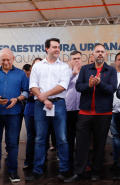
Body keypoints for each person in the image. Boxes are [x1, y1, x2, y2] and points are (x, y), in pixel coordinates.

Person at [64, 44, 117, 182]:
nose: (100, 53)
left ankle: (96, 172)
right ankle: (78, 172)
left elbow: (112, 89)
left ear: (106, 54)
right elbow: (78, 87)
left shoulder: (111, 70)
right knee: (81, 145)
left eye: (102, 52)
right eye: (97, 51)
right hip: (84, 113)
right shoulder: (85, 69)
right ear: (92, 54)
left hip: (103, 114)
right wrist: (89, 85)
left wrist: (99, 84)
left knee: (99, 145)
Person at [26, 38, 71, 181]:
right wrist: (44, 99)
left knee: (62, 139)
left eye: (58, 47)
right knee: (40, 139)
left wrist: (45, 94)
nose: (57, 49)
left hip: (59, 105)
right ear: (47, 49)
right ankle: (37, 170)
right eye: (54, 47)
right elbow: (33, 85)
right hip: (41, 105)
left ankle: (64, 170)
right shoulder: (38, 66)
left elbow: (63, 86)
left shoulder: (64, 67)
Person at [0, 48, 29, 182]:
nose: (6, 62)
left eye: (8, 59)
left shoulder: (21, 74)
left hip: (14, 113)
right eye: (3, 60)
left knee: (12, 143)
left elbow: (26, 92)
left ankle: (13, 171)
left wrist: (17, 99)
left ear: (13, 58)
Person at [23, 57, 42, 170]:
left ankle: (41, 160)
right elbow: (24, 93)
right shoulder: (28, 79)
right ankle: (28, 161)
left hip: (43, 111)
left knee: (42, 137)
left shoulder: (46, 78)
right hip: (30, 111)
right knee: (31, 136)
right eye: (35, 65)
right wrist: (28, 95)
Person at [65, 50, 82, 169]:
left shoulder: (86, 73)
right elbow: (60, 87)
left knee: (82, 138)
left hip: (82, 110)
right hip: (68, 109)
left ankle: (81, 162)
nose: (76, 60)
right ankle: (69, 162)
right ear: (70, 61)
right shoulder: (65, 73)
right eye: (74, 59)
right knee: (69, 137)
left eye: (78, 58)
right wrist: (73, 75)